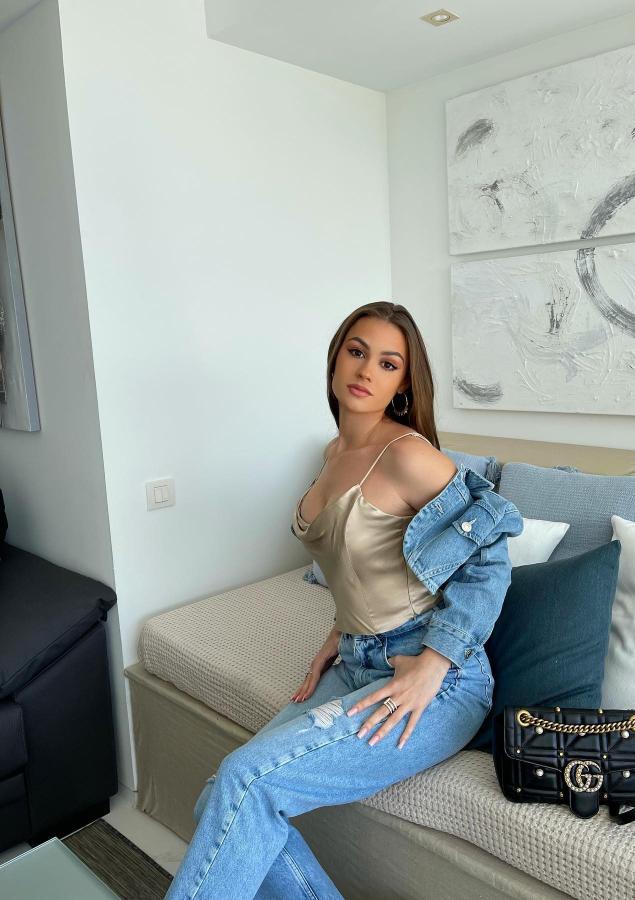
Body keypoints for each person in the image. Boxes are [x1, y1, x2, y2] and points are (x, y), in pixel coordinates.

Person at [165, 301, 523, 900]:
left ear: (403, 383)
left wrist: (434, 664)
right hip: (357, 658)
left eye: (388, 363)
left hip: (439, 678)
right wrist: (341, 629)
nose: (366, 371)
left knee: (247, 781)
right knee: (219, 799)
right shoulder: (333, 455)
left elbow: (491, 554)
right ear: (336, 359)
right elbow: (363, 563)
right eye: (357, 352)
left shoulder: (406, 454)